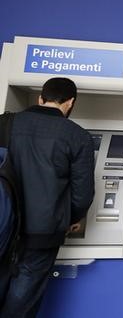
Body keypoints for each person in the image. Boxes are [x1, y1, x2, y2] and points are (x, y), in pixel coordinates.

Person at [0, 77, 95, 317]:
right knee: (21, 302)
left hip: (2, 226)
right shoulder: (78, 136)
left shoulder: (5, 123)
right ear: (70, 102)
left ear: (40, 98)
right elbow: (83, 194)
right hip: (42, 234)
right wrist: (72, 217)